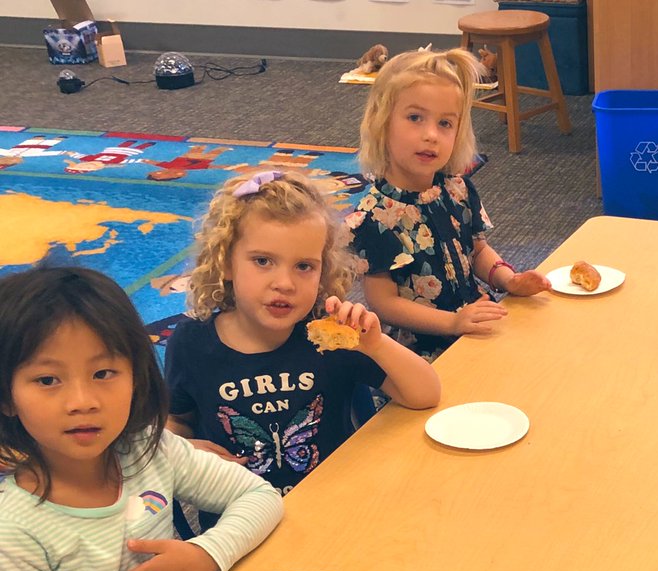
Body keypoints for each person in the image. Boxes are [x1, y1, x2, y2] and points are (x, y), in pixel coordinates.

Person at [0, 266, 283, 571]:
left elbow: (259, 496)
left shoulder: (148, 451)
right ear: (7, 397)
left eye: (104, 372)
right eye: (48, 380)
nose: (82, 401)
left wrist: (204, 554)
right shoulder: (15, 529)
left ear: (137, 373)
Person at [167, 170, 440, 496]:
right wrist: (180, 450)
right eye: (263, 261)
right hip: (236, 522)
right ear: (226, 262)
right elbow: (176, 421)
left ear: (323, 270)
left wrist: (376, 344)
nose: (284, 283)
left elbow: (426, 394)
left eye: (304, 266)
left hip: (330, 506)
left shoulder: (332, 337)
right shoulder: (191, 344)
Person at [350, 48, 551, 362]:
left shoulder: (456, 188)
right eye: (415, 118)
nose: (431, 135)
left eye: (445, 123)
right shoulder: (372, 217)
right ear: (382, 120)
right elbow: (384, 303)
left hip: (476, 322)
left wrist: (507, 279)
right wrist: (452, 323)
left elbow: (478, 249)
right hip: (423, 353)